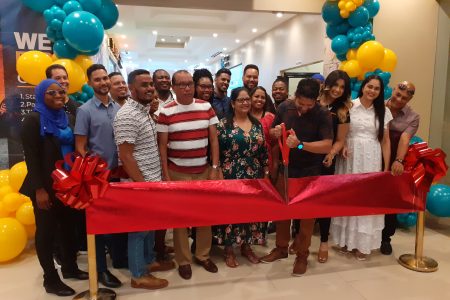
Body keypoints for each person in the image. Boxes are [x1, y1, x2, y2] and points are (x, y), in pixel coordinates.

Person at [20, 79, 88, 297]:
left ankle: (69, 268)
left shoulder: (67, 118)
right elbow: (31, 158)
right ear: (41, 95)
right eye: (52, 92)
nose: (59, 95)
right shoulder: (33, 120)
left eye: (61, 91)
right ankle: (50, 279)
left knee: (69, 229)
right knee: (47, 233)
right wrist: (40, 189)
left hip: (67, 185)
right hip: (46, 187)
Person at [259, 78, 333, 276]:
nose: (305, 108)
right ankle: (281, 248)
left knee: (307, 217)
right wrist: (275, 132)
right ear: (295, 96)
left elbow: (327, 144)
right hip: (285, 170)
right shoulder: (285, 107)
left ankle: (302, 255)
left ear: (316, 100)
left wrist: (300, 145)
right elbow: (274, 133)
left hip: (310, 172)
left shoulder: (322, 113)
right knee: (282, 213)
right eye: (301, 103)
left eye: (310, 104)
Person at [114, 69, 174, 290]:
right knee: (139, 230)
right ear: (131, 88)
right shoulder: (127, 114)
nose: (150, 88)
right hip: (139, 184)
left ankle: (148, 262)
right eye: (144, 85)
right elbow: (126, 155)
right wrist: (142, 186)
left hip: (151, 181)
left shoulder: (144, 110)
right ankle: (138, 275)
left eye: (151, 84)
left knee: (149, 226)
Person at [157, 70, 219, 280]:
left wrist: (214, 167)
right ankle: (183, 260)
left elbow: (214, 141)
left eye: (189, 84)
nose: (186, 88)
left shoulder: (206, 107)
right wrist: (166, 175)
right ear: (173, 88)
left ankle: (202, 255)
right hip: (177, 173)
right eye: (181, 84)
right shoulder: (165, 112)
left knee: (205, 217)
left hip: (202, 171)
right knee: (180, 220)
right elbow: (162, 147)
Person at [330, 75, 392, 260]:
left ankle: (363, 245)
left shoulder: (383, 111)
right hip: (349, 158)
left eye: (376, 88)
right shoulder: (350, 106)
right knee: (348, 197)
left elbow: (385, 141)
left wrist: (385, 168)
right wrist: (344, 145)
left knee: (366, 199)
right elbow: (341, 133)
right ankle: (346, 241)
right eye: (369, 86)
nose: (372, 91)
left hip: (371, 158)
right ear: (363, 87)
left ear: (380, 92)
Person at [74, 64, 122, 288]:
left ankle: (119, 260)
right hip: (98, 178)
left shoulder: (118, 108)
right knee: (99, 227)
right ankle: (101, 270)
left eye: (105, 79)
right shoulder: (85, 111)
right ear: (90, 82)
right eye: (98, 80)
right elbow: (81, 147)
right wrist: (91, 174)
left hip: (120, 175)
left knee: (116, 222)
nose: (103, 83)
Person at [213, 87, 269, 268]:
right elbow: (216, 152)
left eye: (247, 99)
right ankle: (229, 250)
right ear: (232, 103)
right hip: (231, 174)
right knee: (231, 211)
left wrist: (266, 171)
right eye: (241, 100)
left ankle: (247, 246)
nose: (245, 103)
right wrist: (219, 170)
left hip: (254, 174)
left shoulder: (257, 124)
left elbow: (263, 150)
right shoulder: (223, 125)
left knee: (252, 212)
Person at [314, 70, 352, 263]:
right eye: (335, 85)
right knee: (302, 197)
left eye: (342, 87)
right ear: (328, 84)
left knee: (323, 201)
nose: (337, 90)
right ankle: (298, 237)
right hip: (305, 155)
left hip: (326, 160)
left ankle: (323, 242)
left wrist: (331, 153)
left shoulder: (343, 111)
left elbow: (340, 140)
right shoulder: (314, 100)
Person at [381, 81, 419, 255]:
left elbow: (405, 138)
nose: (399, 99)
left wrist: (398, 160)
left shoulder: (413, 117)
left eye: (404, 98)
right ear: (394, 90)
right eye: (397, 94)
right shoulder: (378, 105)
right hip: (374, 153)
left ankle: (385, 238)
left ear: (409, 98)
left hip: (395, 157)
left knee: (390, 199)